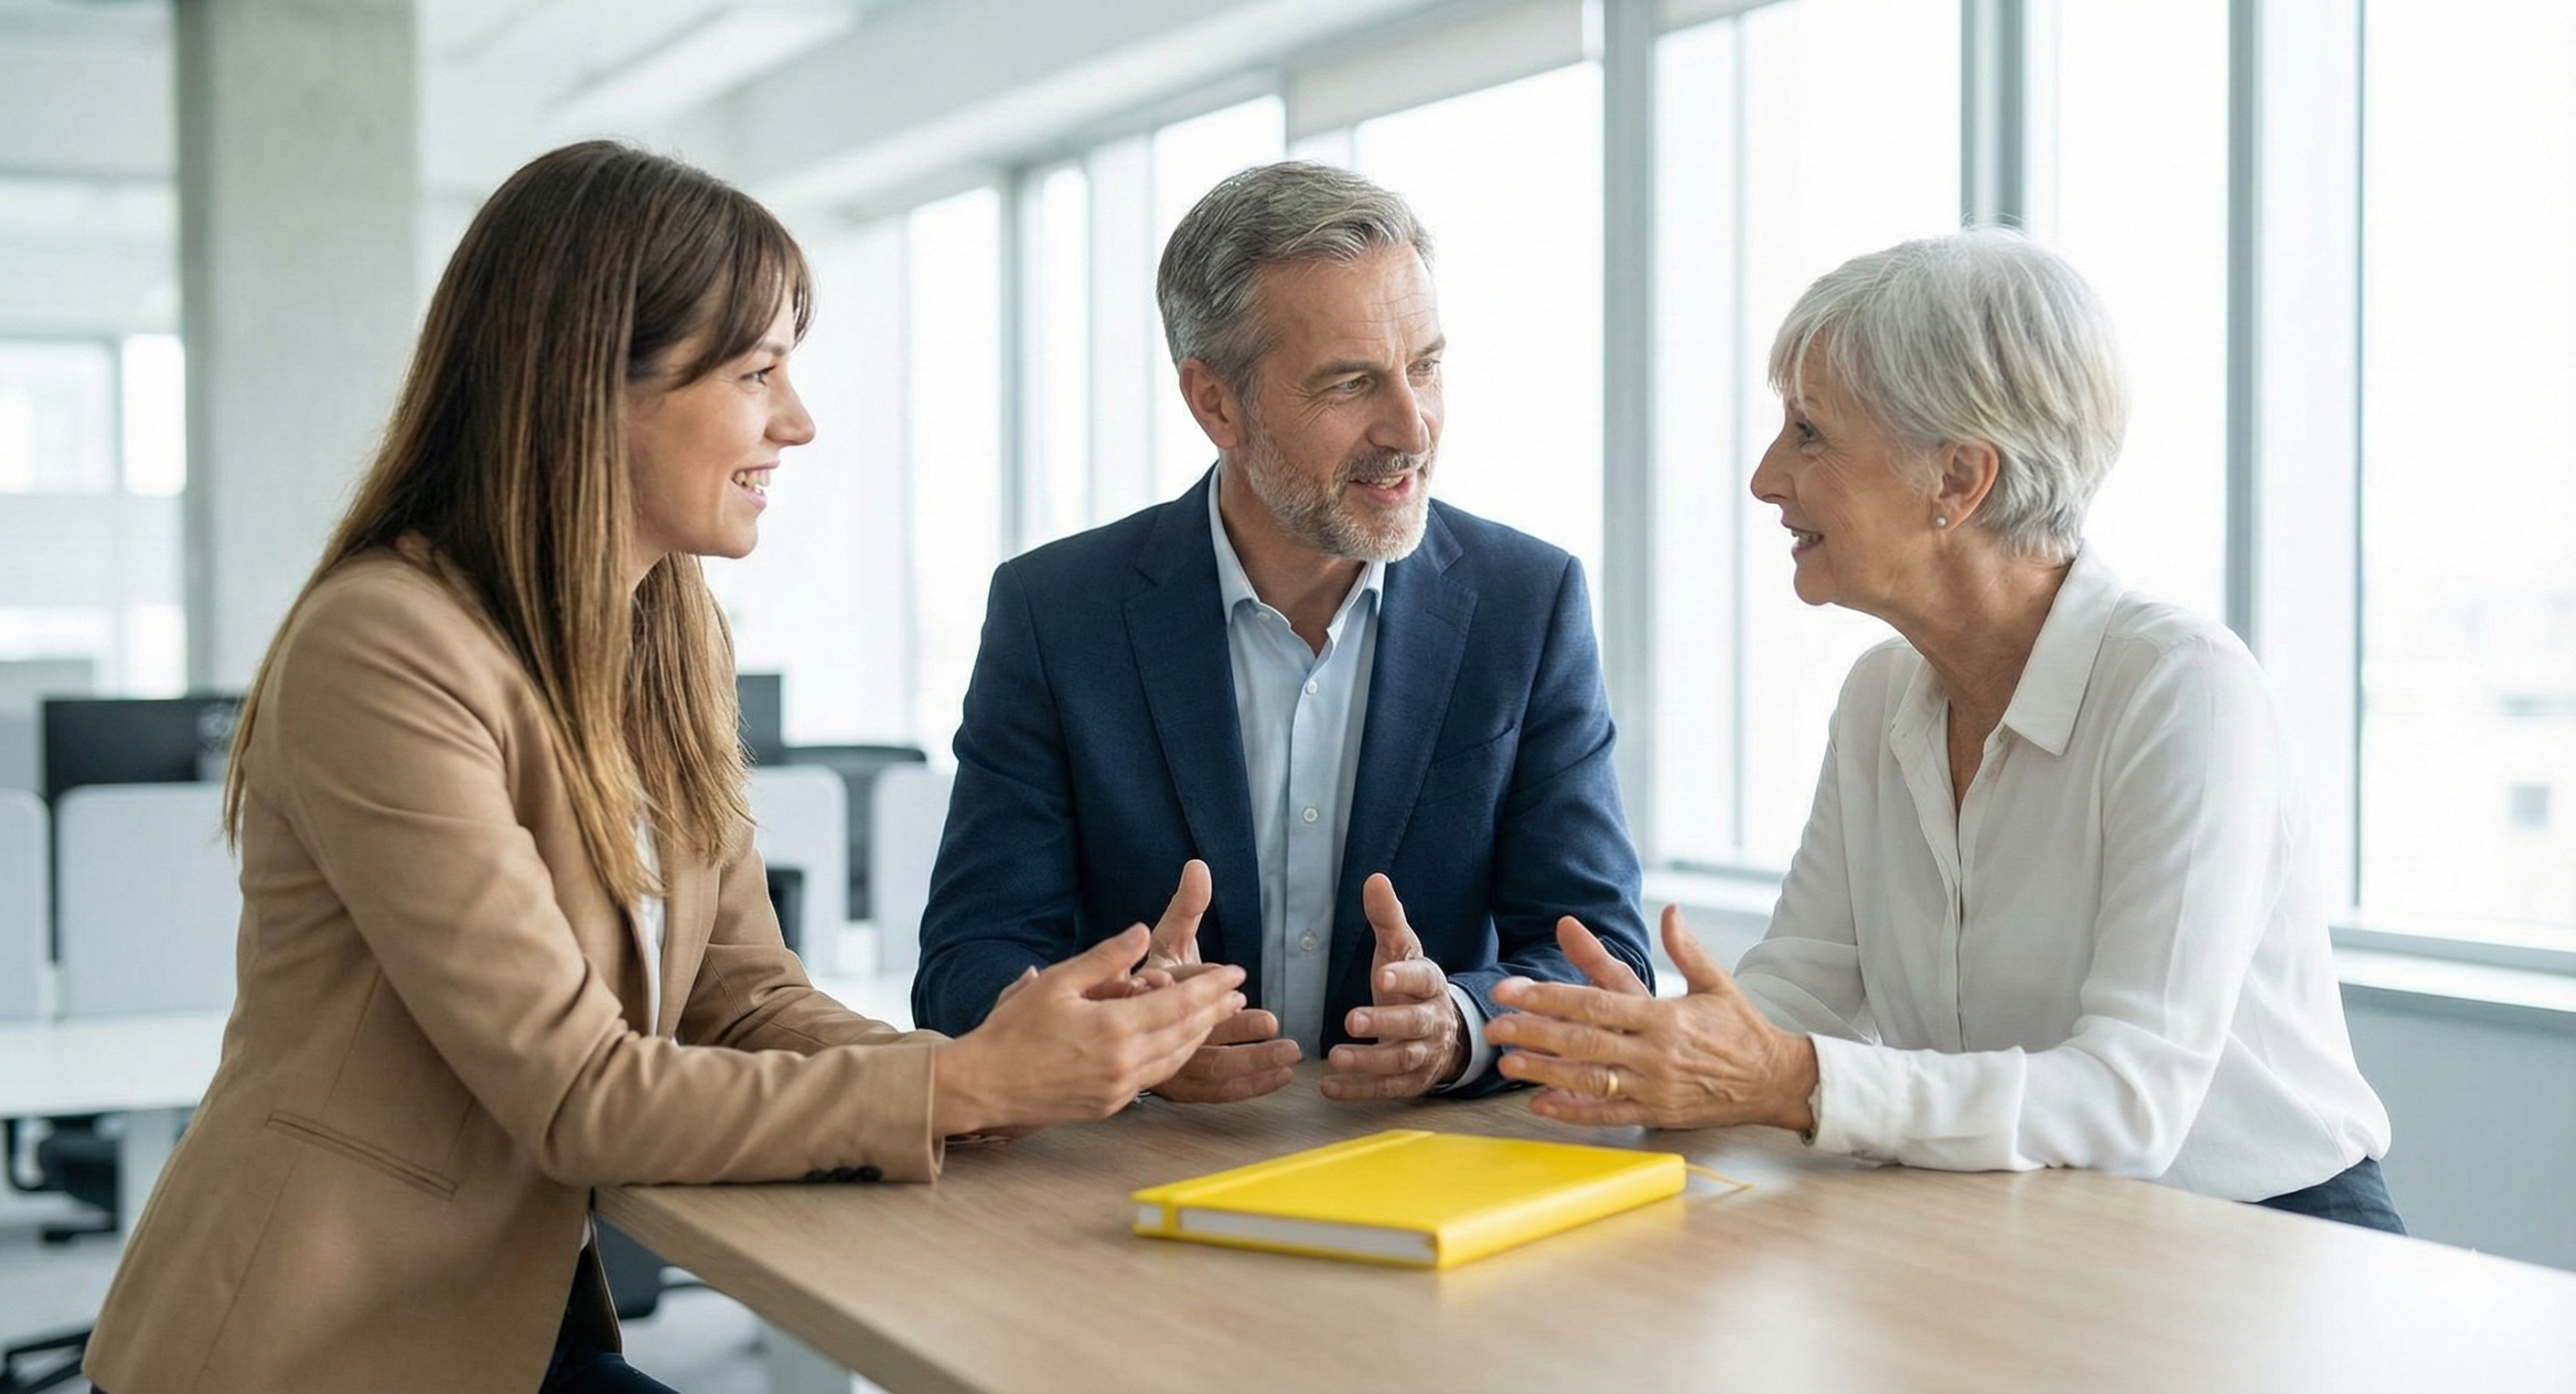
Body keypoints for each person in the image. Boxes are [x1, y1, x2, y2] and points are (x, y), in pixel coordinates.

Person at [81, 141, 1247, 1394]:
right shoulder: (384, 647)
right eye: (755, 372)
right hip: (317, 1348)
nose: (796, 422)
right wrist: (962, 1083)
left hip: (505, 1332)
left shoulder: (663, 637)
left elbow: (742, 1003)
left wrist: (1030, 1067)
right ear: (595, 386)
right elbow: (578, 1093)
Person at [1487, 231, 2402, 1232]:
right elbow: (1805, 987)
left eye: (1809, 432)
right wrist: (1668, 1042)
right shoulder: (1877, 697)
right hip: (2026, 1224)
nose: (1765, 477)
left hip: (2268, 1235)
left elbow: (2128, 1100)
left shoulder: (2182, 690)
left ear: (1957, 480)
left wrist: (1787, 1080)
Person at [910, 160, 1651, 1103]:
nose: (1411, 427)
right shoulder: (1056, 613)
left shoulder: (1526, 602)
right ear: (1214, 402)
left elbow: (1601, 954)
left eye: (1425, 367)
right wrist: (1124, 1029)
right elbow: (966, 965)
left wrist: (1459, 1028)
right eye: (1351, 383)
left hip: (1425, 1163)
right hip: (1143, 1173)